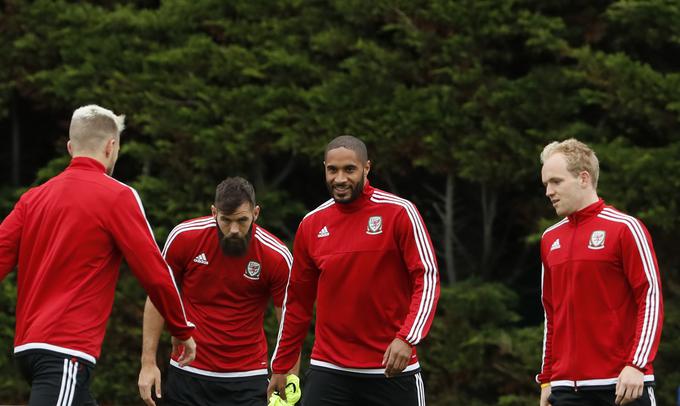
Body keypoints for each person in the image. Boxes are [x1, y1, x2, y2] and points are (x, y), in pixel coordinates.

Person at [0, 105, 196, 406]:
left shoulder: (33, 198)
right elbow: (155, 273)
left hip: (30, 349)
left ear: (70, 147)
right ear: (111, 145)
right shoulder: (117, 196)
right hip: (63, 352)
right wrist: (181, 329)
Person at [268, 135, 440, 405]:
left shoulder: (400, 213)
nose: (339, 179)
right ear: (324, 168)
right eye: (332, 170)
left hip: (391, 369)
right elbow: (297, 302)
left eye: (349, 169)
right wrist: (282, 365)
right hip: (329, 369)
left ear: (366, 168)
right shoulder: (311, 224)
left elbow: (427, 277)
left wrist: (407, 338)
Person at [138, 177, 298, 406]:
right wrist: (148, 363)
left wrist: (288, 377)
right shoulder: (184, 237)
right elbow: (158, 296)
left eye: (242, 220)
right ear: (214, 212)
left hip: (248, 378)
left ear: (256, 213)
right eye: (226, 220)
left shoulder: (276, 255)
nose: (234, 230)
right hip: (187, 371)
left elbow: (290, 321)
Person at [537, 139, 663, 406]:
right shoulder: (550, 238)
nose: (549, 191)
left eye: (556, 182)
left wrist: (637, 365)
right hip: (566, 390)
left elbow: (649, 298)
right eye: (546, 184)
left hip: (623, 384)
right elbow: (551, 312)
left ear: (583, 178)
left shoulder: (626, 228)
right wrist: (547, 378)